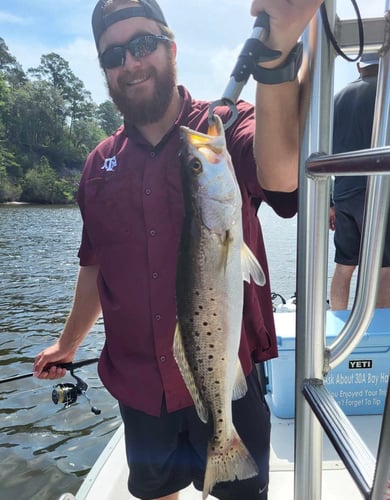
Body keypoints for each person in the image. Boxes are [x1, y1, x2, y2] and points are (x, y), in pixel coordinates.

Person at [33, 1, 322, 499]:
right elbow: (95, 265)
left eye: (143, 44)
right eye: (114, 54)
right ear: (104, 69)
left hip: (229, 363)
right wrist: (69, 343)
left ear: (171, 47)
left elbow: (279, 173)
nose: (131, 62)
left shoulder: (222, 127)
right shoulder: (98, 163)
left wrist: (276, 56)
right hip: (140, 385)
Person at [329, 52, 390, 310]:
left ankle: (336, 322)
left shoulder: (336, 99)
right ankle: (376, 332)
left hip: (343, 196)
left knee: (344, 265)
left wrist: (331, 202)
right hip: (378, 193)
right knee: (385, 268)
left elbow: (328, 153)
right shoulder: (385, 95)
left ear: (359, 65)